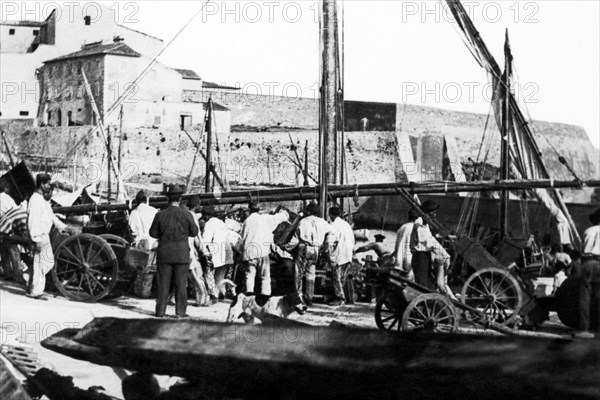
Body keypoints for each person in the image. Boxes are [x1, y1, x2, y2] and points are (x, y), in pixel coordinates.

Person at [149, 184, 198, 318]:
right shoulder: (186, 214)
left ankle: (160, 312)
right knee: (181, 285)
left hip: (164, 254)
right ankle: (180, 312)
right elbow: (194, 232)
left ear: (168, 199)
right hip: (181, 254)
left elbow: (152, 233)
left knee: (163, 284)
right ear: (180, 198)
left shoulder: (160, 215)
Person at [27, 174, 76, 299]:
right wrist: (36, 239)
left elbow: (52, 217)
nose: (49, 186)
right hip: (40, 235)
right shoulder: (35, 200)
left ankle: (33, 287)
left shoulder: (43, 200)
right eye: (48, 184)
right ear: (42, 184)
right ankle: (36, 291)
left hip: (44, 235)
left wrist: (65, 228)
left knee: (45, 262)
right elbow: (33, 221)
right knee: (42, 262)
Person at [240, 202, 289, 295]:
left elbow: (242, 237)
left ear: (249, 210)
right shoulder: (265, 218)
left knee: (249, 276)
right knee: (265, 277)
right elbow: (281, 217)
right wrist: (284, 213)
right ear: (259, 210)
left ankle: (249, 296)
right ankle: (265, 296)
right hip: (262, 251)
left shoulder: (246, 221)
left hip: (250, 252)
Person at [409, 200, 454, 298]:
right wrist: (441, 252)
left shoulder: (426, 224)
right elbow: (427, 242)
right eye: (433, 213)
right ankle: (423, 304)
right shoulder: (419, 224)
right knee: (422, 284)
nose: (434, 215)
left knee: (427, 282)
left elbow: (431, 239)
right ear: (427, 213)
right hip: (420, 257)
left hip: (425, 256)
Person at [293, 202, 335, 306]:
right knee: (311, 272)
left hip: (304, 247)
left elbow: (296, 237)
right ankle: (309, 297)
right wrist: (326, 245)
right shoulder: (323, 222)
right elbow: (331, 232)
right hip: (316, 249)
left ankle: (298, 296)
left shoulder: (303, 221)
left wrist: (287, 247)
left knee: (299, 272)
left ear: (308, 211)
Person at [573, 207, 600, 339]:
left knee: (585, 297)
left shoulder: (587, 231)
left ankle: (584, 328)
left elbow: (582, 249)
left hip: (588, 262)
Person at [201, 205, 232, 303]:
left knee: (208, 274)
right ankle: (220, 293)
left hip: (215, 253)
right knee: (220, 276)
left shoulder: (209, 224)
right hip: (226, 252)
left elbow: (205, 241)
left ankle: (213, 294)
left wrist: (205, 254)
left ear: (206, 215)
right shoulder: (221, 223)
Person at [182, 196, 208, 307]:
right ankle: (201, 300)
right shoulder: (192, 218)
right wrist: (205, 252)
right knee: (197, 277)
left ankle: (173, 298)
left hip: (181, 250)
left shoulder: (182, 215)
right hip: (190, 252)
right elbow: (198, 238)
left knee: (182, 277)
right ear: (197, 205)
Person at [328, 206, 355, 306]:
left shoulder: (334, 225)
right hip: (348, 254)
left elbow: (330, 241)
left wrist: (328, 253)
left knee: (336, 277)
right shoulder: (346, 225)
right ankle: (344, 296)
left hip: (340, 254)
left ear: (330, 215)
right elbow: (353, 240)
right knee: (342, 277)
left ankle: (340, 298)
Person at [393, 209, 420, 280]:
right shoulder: (416, 229)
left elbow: (396, 247)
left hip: (399, 261)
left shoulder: (402, 228)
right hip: (410, 260)